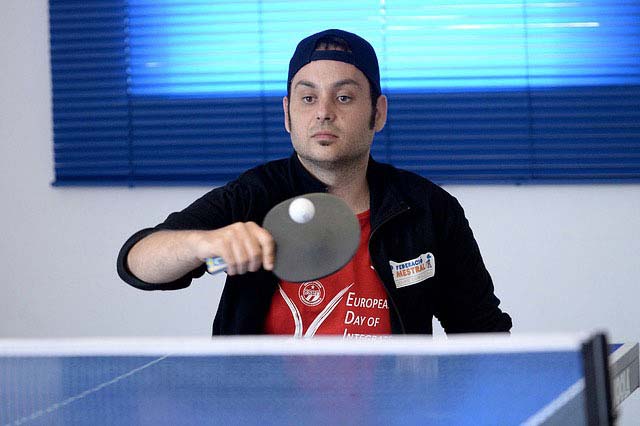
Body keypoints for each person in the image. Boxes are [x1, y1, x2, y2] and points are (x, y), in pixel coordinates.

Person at [117, 29, 512, 336]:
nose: (323, 112)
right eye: (308, 98)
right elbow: (137, 261)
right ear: (287, 114)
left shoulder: (429, 209)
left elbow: (481, 331)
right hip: (263, 406)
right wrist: (204, 243)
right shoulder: (254, 194)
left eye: (344, 97)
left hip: (393, 406)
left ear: (378, 112)